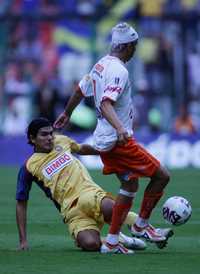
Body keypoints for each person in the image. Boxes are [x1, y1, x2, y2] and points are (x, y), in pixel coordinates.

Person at [54, 22, 171, 253]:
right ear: (127, 46)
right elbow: (106, 102)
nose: (135, 51)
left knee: (129, 184)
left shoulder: (100, 65)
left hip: (103, 139)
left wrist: (67, 113)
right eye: (134, 46)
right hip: (118, 142)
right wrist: (120, 128)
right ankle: (141, 226)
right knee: (161, 176)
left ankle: (113, 240)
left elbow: (79, 90)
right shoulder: (119, 70)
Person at [16, 118, 173, 254]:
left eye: (51, 133)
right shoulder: (29, 166)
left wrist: (105, 151)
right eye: (44, 134)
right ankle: (119, 239)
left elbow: (81, 148)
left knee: (111, 209)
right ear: (32, 138)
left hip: (88, 193)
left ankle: (147, 229)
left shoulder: (61, 141)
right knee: (90, 244)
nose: (50, 137)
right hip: (70, 210)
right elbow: (21, 203)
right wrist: (23, 241)